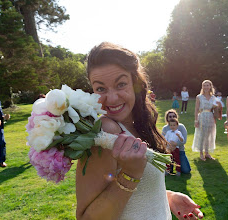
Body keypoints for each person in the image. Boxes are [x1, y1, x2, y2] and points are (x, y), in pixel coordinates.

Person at [76, 42, 203, 220]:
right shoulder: (106, 132)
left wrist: (167, 197)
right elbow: (85, 218)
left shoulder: (138, 124)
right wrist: (130, 174)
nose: (111, 98)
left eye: (120, 84)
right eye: (100, 89)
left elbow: (133, 194)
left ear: (135, 83)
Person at [192, 80, 217, 161]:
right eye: (204, 85)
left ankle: (207, 152)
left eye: (207, 85)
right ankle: (201, 153)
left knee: (208, 136)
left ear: (210, 86)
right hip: (202, 116)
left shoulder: (213, 97)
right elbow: (196, 109)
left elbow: (215, 108)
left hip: (210, 117)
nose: (206, 87)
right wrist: (196, 120)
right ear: (202, 87)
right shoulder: (199, 97)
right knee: (202, 135)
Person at [162, 109, 191, 174]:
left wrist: (176, 144)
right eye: (170, 116)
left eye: (174, 116)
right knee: (169, 165)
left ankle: (178, 170)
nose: (172, 118)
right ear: (167, 118)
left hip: (179, 150)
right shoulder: (165, 128)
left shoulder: (181, 127)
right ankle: (169, 169)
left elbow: (184, 141)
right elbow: (163, 140)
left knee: (186, 170)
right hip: (169, 150)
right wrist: (169, 146)